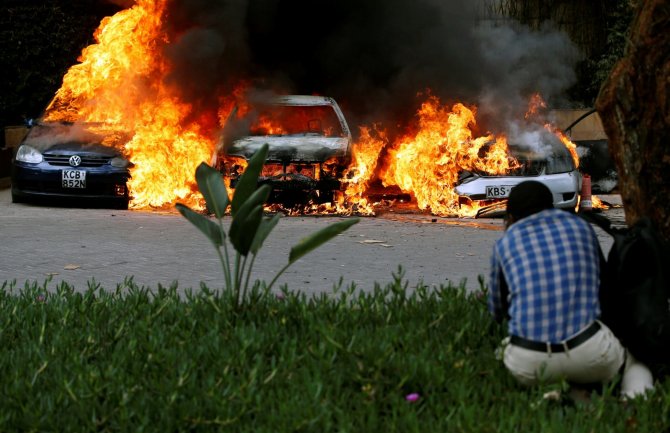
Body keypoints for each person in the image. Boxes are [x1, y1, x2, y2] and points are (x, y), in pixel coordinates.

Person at [488, 180, 653, 398]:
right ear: (550, 206)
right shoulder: (581, 226)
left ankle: (556, 394)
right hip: (589, 351)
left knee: (504, 350)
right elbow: (604, 289)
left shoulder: (504, 244)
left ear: (511, 217)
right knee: (634, 361)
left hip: (530, 362)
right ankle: (633, 400)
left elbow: (498, 312)